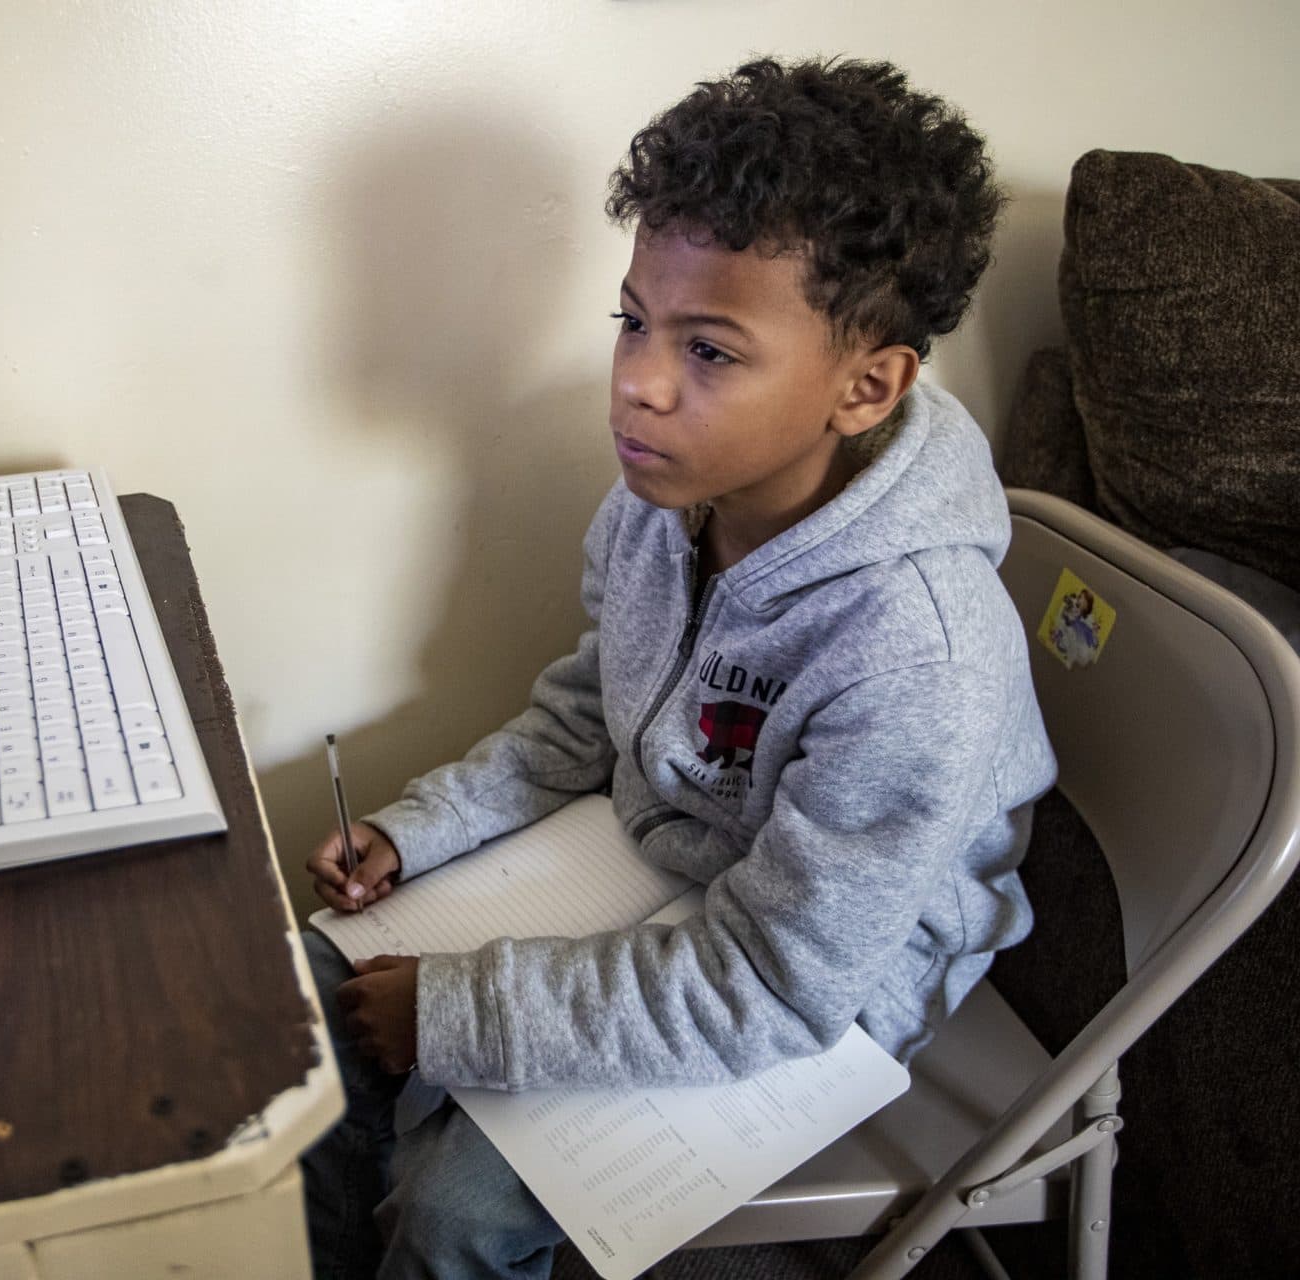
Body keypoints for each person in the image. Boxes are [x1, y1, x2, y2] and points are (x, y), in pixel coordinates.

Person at [299, 55, 1059, 1280]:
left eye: (709, 350)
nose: (636, 382)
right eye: (634, 321)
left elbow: (779, 980)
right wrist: (417, 830)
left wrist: (456, 1009)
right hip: (667, 855)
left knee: (453, 1212)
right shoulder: (668, 498)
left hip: (820, 973)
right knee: (314, 992)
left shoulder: (917, 652)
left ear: (867, 385)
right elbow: (592, 710)